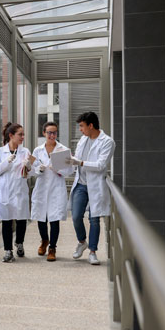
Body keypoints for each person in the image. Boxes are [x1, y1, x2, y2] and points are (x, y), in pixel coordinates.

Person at [66, 111, 116, 265]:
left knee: (94, 220)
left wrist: (80, 163)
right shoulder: (83, 139)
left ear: (91, 125)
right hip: (81, 184)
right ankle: (82, 242)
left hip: (95, 185)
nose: (80, 130)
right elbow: (78, 158)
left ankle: (93, 252)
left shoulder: (107, 142)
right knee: (75, 216)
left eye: (82, 126)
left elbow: (101, 165)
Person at [30, 121, 73, 262]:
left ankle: (52, 248)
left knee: (54, 219)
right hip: (42, 188)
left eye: (54, 132)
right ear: (44, 133)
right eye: (49, 132)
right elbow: (31, 169)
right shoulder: (37, 150)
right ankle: (44, 240)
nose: (52, 135)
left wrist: (58, 169)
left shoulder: (63, 150)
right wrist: (39, 169)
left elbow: (70, 170)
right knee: (41, 217)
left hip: (56, 189)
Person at [0, 122, 33, 262]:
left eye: (23, 134)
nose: (22, 137)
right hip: (5, 192)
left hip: (20, 190)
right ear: (11, 135)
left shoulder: (25, 151)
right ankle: (8, 251)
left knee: (21, 219)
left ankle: (19, 243)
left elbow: (30, 173)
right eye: (20, 134)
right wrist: (7, 162)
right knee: (6, 221)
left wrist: (29, 167)